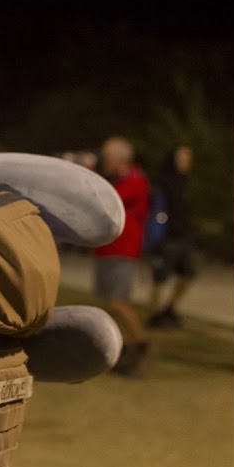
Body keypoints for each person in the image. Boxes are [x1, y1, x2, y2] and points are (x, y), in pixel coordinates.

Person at [94, 136, 153, 376]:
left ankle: (140, 346)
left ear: (120, 160)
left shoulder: (135, 181)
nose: (102, 161)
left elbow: (107, 199)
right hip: (108, 248)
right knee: (111, 303)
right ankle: (123, 348)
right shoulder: (119, 179)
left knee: (119, 302)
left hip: (123, 249)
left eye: (106, 157)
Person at [148, 144, 197, 328]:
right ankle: (154, 314)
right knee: (160, 278)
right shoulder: (162, 183)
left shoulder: (186, 182)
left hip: (184, 236)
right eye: (182, 158)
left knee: (189, 274)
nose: (186, 162)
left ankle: (168, 308)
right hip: (167, 237)